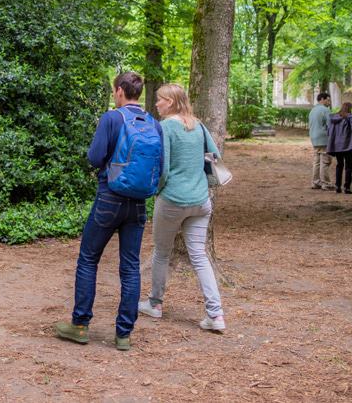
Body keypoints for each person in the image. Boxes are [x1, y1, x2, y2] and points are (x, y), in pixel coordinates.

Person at [55, 71, 163, 351]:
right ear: (137, 93)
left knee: (88, 260)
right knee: (130, 267)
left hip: (109, 198)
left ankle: (79, 325)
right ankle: (124, 334)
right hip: (138, 204)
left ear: (119, 91)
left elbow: (94, 158)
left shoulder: (112, 118)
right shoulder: (153, 122)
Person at [137, 83, 226, 333]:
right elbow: (214, 156)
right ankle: (216, 314)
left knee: (161, 252)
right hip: (200, 201)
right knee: (199, 256)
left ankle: (154, 304)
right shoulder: (198, 125)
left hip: (173, 200)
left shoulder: (165, 127)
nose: (156, 104)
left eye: (160, 100)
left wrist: (158, 190)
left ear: (172, 102)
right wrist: (205, 182)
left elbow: (162, 167)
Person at [327, 102, 352, 194]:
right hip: (348, 145)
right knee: (348, 166)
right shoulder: (350, 116)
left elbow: (328, 130)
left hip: (336, 146)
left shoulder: (333, 118)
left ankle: (337, 186)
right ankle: (347, 188)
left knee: (339, 165)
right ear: (350, 108)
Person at [309, 92, 333, 190]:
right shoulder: (326, 110)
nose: (329, 102)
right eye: (328, 99)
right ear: (322, 99)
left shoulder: (312, 110)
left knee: (316, 161)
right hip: (324, 138)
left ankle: (315, 182)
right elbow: (330, 125)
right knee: (325, 161)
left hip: (314, 138)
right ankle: (326, 183)